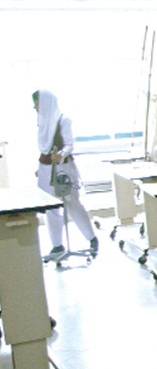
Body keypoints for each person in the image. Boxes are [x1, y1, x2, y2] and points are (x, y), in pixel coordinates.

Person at [34, 90, 98, 259]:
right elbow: (44, 149)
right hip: (46, 168)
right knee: (51, 207)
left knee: (72, 203)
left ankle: (91, 238)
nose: (35, 108)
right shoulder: (42, 123)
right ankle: (57, 245)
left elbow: (69, 144)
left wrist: (61, 154)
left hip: (63, 168)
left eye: (37, 104)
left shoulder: (63, 120)